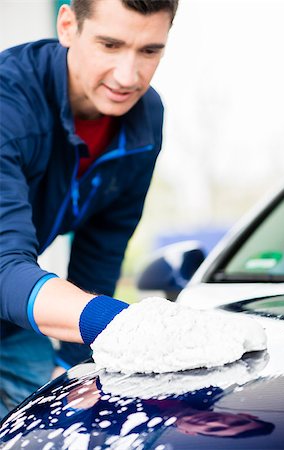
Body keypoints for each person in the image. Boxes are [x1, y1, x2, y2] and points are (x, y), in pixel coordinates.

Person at [0, 0, 179, 417]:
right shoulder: (9, 103)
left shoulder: (145, 118)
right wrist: (128, 327)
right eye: (110, 45)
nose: (127, 76)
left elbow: (102, 248)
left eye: (149, 50)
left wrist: (75, 362)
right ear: (67, 26)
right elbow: (4, 265)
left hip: (12, 323)